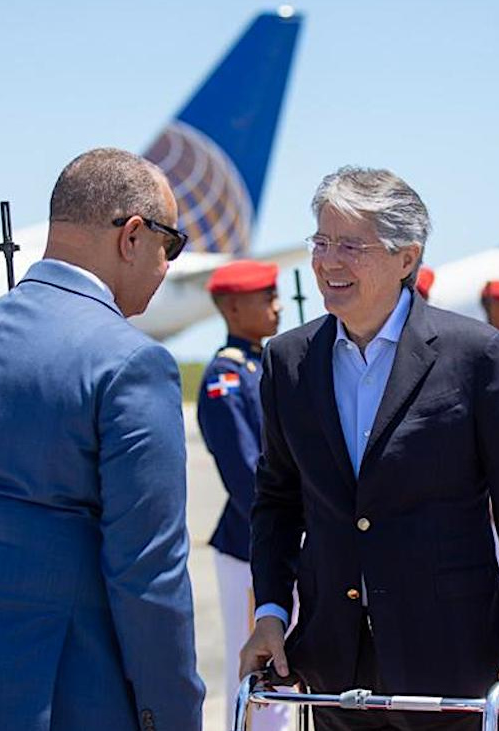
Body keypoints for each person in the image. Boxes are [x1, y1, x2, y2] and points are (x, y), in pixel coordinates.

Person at [0, 148, 204, 731]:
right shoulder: (130, 364)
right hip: (60, 697)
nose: (168, 264)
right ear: (131, 236)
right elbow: (148, 576)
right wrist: (171, 716)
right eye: (169, 245)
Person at [241, 166, 499, 730]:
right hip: (335, 667)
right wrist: (271, 610)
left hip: (450, 664)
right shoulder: (287, 361)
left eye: (350, 245)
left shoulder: (475, 356)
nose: (328, 261)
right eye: (320, 242)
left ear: (406, 258)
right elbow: (277, 501)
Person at [196, 259, 291, 731]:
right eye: (265, 298)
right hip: (250, 544)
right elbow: (244, 477)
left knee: (289, 674)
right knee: (260, 676)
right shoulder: (226, 377)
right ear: (233, 307)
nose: (277, 307)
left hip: (286, 541)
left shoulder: (262, 365)